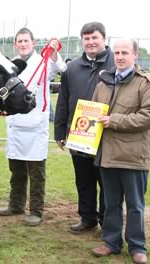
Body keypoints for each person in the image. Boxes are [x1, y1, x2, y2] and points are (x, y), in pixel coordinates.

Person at [91, 39, 150, 264]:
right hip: (108, 156)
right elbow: (92, 115)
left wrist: (116, 120)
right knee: (110, 203)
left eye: (125, 53)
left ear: (135, 55)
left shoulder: (147, 84)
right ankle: (111, 242)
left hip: (133, 157)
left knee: (135, 206)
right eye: (117, 52)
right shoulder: (103, 83)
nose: (120, 57)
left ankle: (137, 246)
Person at [0, 27, 67, 226]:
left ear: (33, 43)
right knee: (16, 170)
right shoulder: (9, 64)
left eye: (26, 41)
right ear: (15, 44)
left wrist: (53, 51)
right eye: (19, 41)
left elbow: (61, 68)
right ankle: (16, 204)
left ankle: (36, 210)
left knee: (36, 172)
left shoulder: (44, 62)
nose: (22, 44)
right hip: (15, 125)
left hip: (36, 126)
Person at [54, 22, 114, 234]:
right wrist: (60, 131)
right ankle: (87, 218)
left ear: (104, 39)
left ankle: (108, 223)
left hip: (107, 136)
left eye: (94, 38)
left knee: (107, 183)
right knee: (84, 180)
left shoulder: (117, 63)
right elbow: (63, 101)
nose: (90, 42)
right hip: (79, 134)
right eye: (86, 38)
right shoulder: (72, 68)